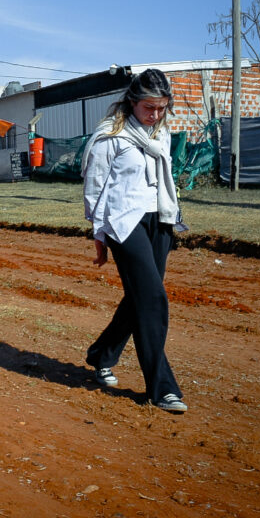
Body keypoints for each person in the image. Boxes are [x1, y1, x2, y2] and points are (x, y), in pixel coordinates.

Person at [81, 68, 188, 414]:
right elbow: (94, 189)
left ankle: (101, 354)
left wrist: (168, 219)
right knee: (153, 298)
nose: (155, 114)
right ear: (132, 101)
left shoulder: (162, 133)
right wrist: (98, 235)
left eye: (161, 107)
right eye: (148, 107)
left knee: (140, 296)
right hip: (123, 223)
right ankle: (162, 388)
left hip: (159, 220)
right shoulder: (110, 136)